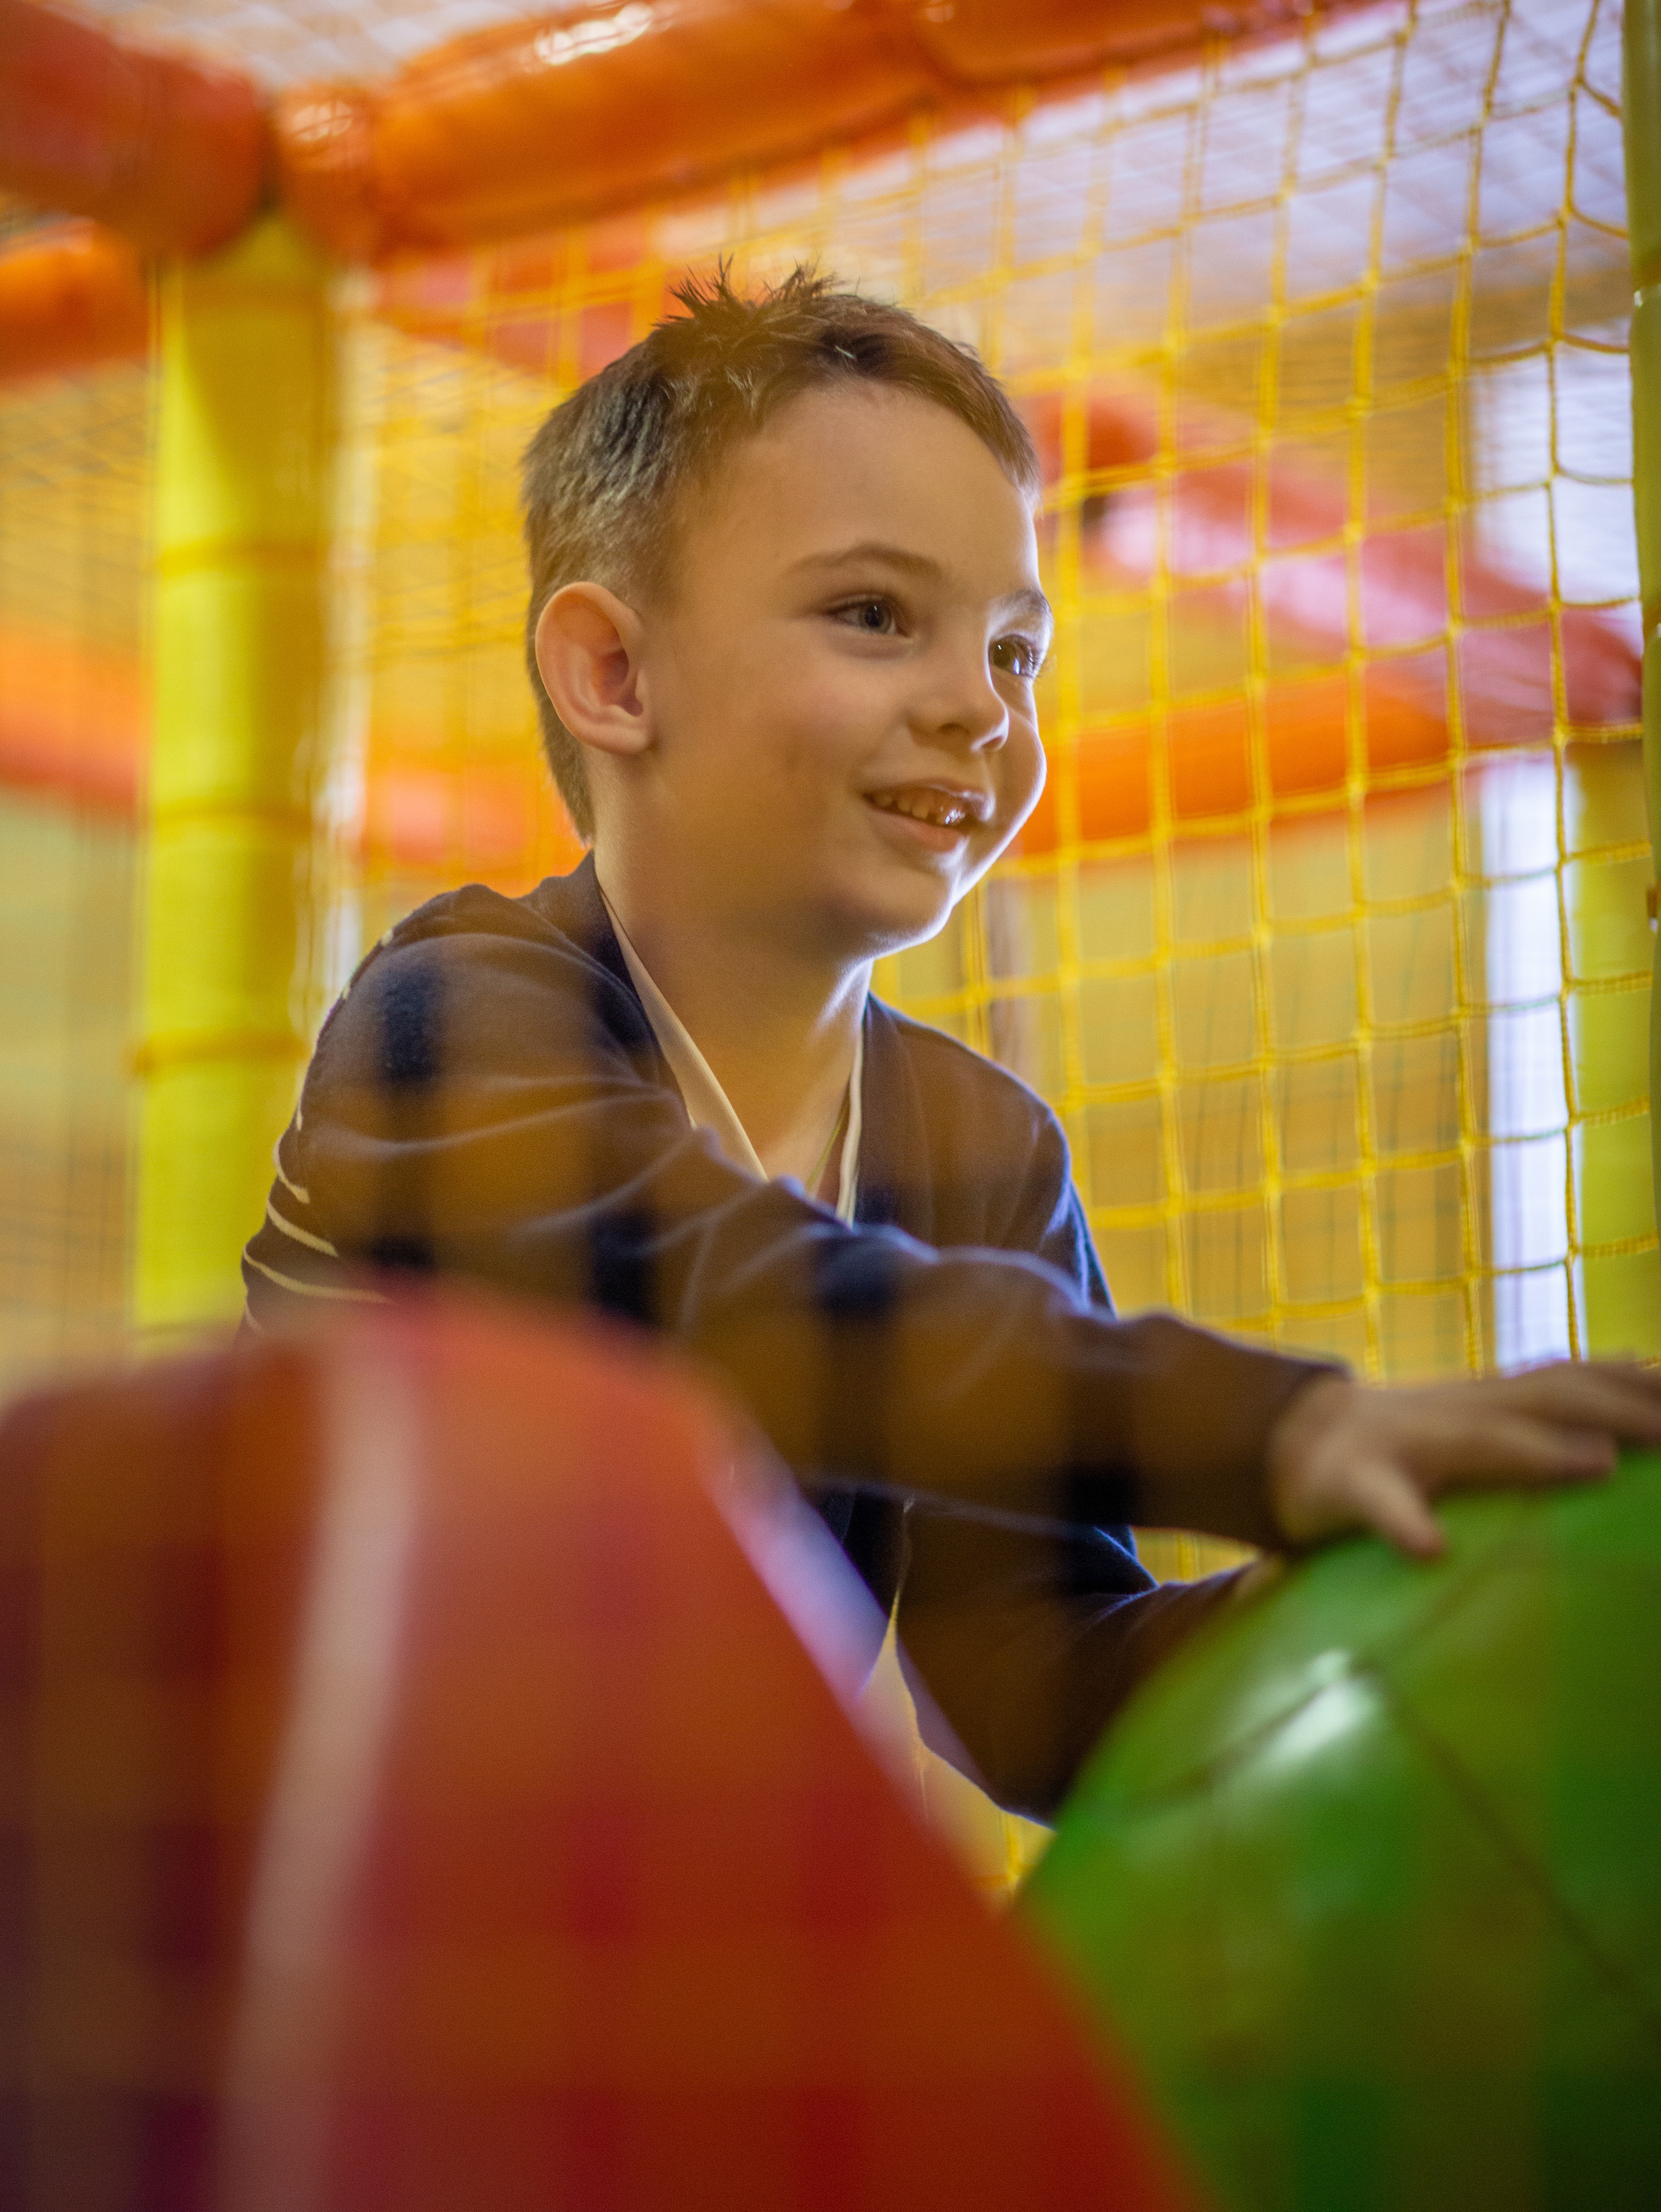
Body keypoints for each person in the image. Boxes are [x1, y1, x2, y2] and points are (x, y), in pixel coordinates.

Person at [243, 269, 1661, 1821]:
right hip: (277, 1897)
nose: (982, 710)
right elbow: (742, 1304)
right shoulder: (452, 1016)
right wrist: (1283, 1426)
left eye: (1014, 652)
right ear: (615, 674)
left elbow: (1033, 1685)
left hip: (635, 1936)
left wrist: (1443, 1593)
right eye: (872, 615)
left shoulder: (975, 1149)